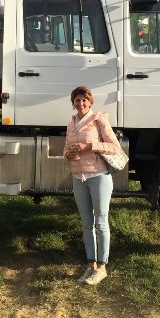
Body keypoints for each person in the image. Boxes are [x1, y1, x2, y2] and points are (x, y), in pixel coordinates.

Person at [63, 85, 121, 286]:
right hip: (78, 178)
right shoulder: (71, 123)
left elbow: (114, 147)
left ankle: (102, 267)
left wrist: (89, 146)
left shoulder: (99, 120)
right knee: (86, 223)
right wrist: (68, 153)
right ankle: (91, 265)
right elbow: (65, 148)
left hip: (99, 176)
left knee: (101, 221)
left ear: (90, 102)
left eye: (84, 100)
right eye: (77, 100)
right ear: (73, 103)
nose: (80, 103)